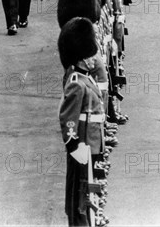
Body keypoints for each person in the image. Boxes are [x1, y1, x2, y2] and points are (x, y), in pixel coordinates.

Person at [58, 17, 105, 226]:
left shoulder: (86, 78)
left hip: (92, 145)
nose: (93, 58)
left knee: (89, 192)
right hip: (83, 148)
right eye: (89, 54)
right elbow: (68, 119)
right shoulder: (77, 83)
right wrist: (75, 147)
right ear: (81, 57)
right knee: (80, 197)